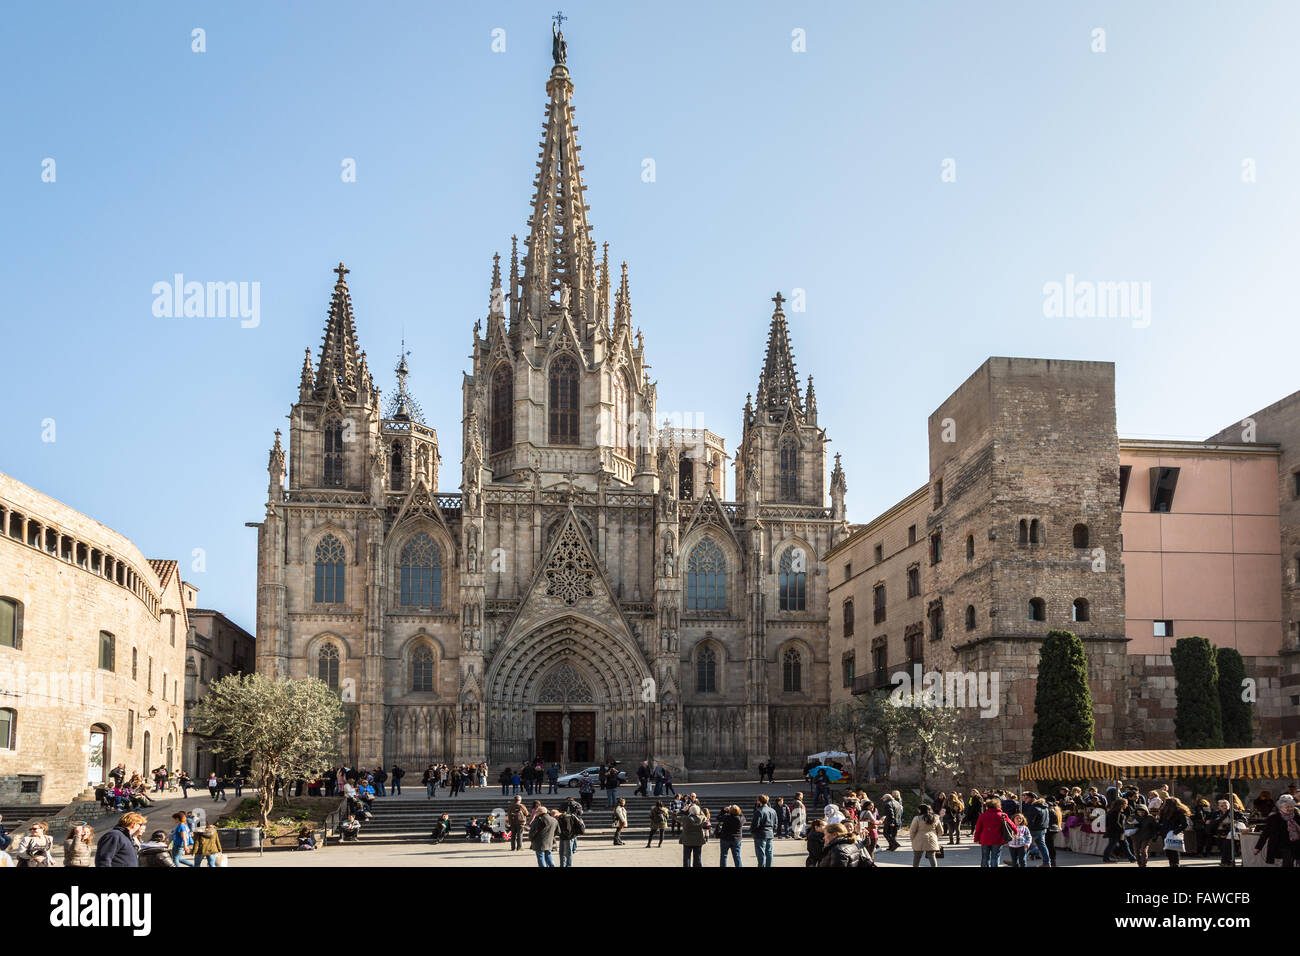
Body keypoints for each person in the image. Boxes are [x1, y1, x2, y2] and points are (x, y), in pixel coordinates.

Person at [1254, 793, 1300, 866]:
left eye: (1291, 807)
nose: (1290, 809)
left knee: (1290, 861)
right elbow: (1265, 834)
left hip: (1295, 845)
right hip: (1280, 845)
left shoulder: (1297, 817)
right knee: (1288, 861)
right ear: (1280, 808)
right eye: (1287, 807)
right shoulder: (1273, 818)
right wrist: (1258, 847)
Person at [974, 798, 1013, 867]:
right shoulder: (1002, 815)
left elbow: (978, 829)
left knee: (985, 857)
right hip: (998, 839)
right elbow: (1012, 825)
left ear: (987, 806)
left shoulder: (982, 816)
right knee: (995, 857)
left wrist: (976, 839)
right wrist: (1015, 832)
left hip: (985, 839)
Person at [1210, 797, 1247, 867]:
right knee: (1223, 848)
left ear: (1229, 805)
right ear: (1219, 807)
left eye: (1225, 805)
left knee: (1227, 846)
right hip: (1219, 833)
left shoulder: (1235, 812)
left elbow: (1244, 820)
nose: (1224, 807)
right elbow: (1212, 822)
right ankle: (1226, 861)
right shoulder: (1216, 813)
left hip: (1232, 833)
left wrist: (1237, 821)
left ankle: (1226, 862)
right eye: (1222, 806)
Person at [1157, 797, 1190, 867]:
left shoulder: (1176, 812)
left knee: (1170, 849)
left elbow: (1160, 822)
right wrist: (1176, 831)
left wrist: (1174, 831)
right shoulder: (1179, 811)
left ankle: (1174, 863)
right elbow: (1185, 824)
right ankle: (1174, 863)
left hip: (1168, 833)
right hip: (1170, 832)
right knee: (1173, 849)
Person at [1102, 797, 1136, 863]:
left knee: (1125, 844)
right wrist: (1122, 830)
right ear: (1121, 804)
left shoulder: (1115, 811)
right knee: (1112, 845)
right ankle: (1106, 859)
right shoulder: (1116, 812)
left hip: (1116, 832)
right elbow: (1116, 823)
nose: (1126, 805)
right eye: (1126, 804)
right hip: (1115, 832)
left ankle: (1132, 858)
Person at [679, 799, 707, 867]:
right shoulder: (702, 818)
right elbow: (705, 817)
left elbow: (674, 816)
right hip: (698, 840)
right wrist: (698, 810)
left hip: (687, 840)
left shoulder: (685, 819)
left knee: (686, 857)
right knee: (697, 857)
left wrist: (683, 810)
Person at [751, 793, 777, 867]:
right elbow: (775, 824)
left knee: (761, 853)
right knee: (769, 853)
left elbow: (755, 825)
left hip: (760, 834)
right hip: (770, 833)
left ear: (759, 801)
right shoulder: (773, 811)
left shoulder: (758, 811)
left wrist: (753, 832)